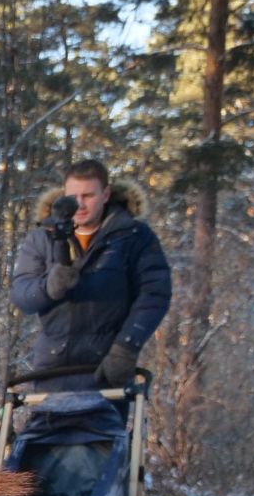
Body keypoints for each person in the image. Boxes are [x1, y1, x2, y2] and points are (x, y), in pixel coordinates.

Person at [11, 159, 173, 392]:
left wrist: (126, 346)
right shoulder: (42, 238)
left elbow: (155, 295)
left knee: (105, 429)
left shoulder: (134, 237)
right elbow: (21, 295)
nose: (79, 204)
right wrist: (48, 287)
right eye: (72, 196)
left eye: (88, 196)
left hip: (107, 367)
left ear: (105, 194)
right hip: (52, 368)